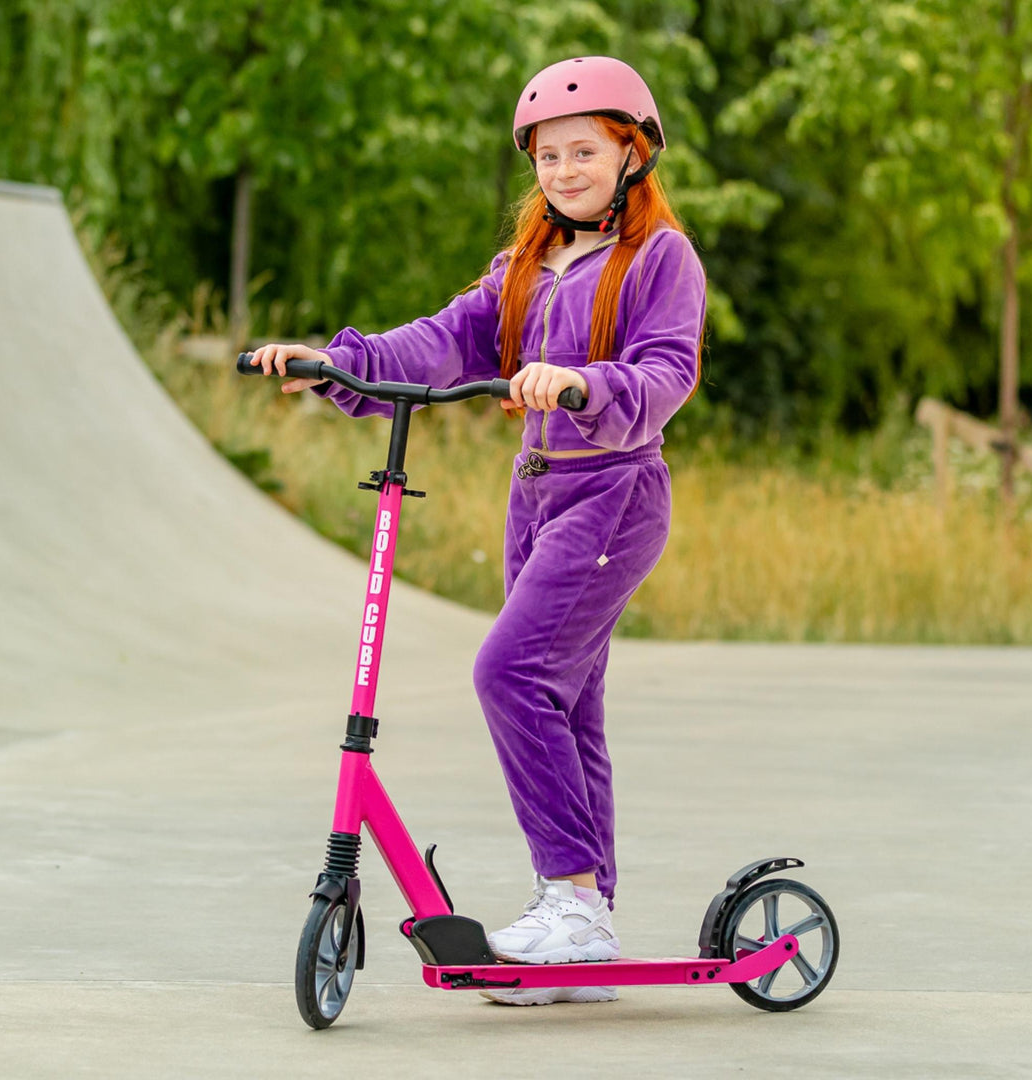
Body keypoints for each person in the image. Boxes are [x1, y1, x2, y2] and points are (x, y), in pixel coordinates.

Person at [250, 56, 707, 1006]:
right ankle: (583, 928)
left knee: (511, 672)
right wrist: (333, 360)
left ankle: (571, 903)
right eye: (548, 155)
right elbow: (441, 340)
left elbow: (666, 371)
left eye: (585, 151)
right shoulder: (526, 267)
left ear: (633, 153)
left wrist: (586, 383)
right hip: (535, 494)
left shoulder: (659, 258)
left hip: (613, 491)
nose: (564, 169)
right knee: (567, 703)